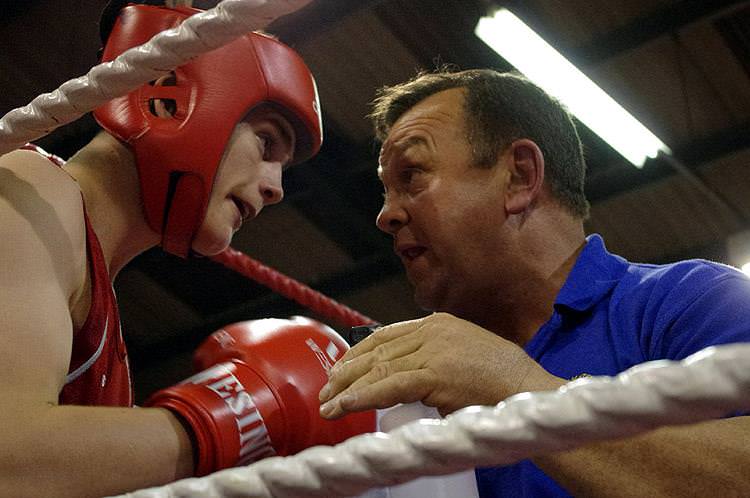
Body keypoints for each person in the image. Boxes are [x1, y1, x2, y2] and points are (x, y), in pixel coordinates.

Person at [0, 1, 376, 497]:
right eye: (266, 144)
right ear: (169, 100)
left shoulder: (98, 301)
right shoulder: (28, 194)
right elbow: (9, 463)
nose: (276, 188)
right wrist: (232, 418)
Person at [318, 68, 750, 497]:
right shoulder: (414, 392)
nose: (385, 215)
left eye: (411, 175)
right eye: (385, 190)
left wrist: (513, 385)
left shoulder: (691, 300)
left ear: (520, 177)